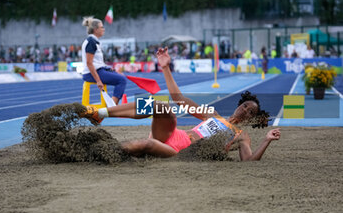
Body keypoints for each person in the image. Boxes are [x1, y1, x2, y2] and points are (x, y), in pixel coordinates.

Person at [81, 47, 281, 161]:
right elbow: (179, 99)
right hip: (175, 135)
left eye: (250, 111)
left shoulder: (241, 135)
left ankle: (98, 153)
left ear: (252, 118)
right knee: (162, 106)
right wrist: (166, 68)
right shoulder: (212, 114)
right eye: (245, 105)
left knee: (147, 144)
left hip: (182, 151)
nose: (245, 110)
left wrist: (267, 140)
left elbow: (248, 161)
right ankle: (100, 113)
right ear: (239, 105)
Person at [81, 17, 126, 105]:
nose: (104, 29)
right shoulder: (91, 42)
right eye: (102, 27)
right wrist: (98, 80)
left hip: (98, 70)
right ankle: (113, 107)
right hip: (91, 73)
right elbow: (89, 63)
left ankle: (112, 106)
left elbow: (96, 62)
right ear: (95, 29)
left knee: (121, 76)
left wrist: (108, 68)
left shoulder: (94, 41)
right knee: (122, 80)